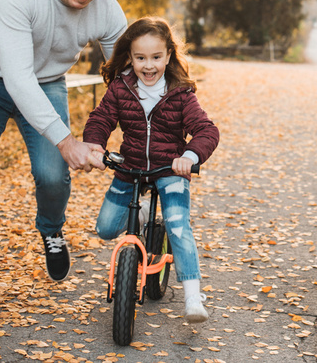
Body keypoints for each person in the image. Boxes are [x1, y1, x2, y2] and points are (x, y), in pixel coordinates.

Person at [0, 0, 128, 322]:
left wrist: (163, 122)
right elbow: (17, 77)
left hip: (48, 81)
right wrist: (66, 140)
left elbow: (128, 75)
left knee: (53, 175)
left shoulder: (107, 9)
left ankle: (51, 230)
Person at [83, 17, 219, 323]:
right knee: (105, 228)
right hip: (129, 168)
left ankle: (193, 296)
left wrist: (190, 154)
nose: (148, 66)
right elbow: (100, 119)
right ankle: (143, 211)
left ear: (168, 56)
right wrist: (94, 145)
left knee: (177, 224)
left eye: (156, 57)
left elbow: (206, 131)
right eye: (140, 58)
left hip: (169, 168)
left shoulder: (180, 93)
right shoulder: (121, 88)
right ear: (129, 57)